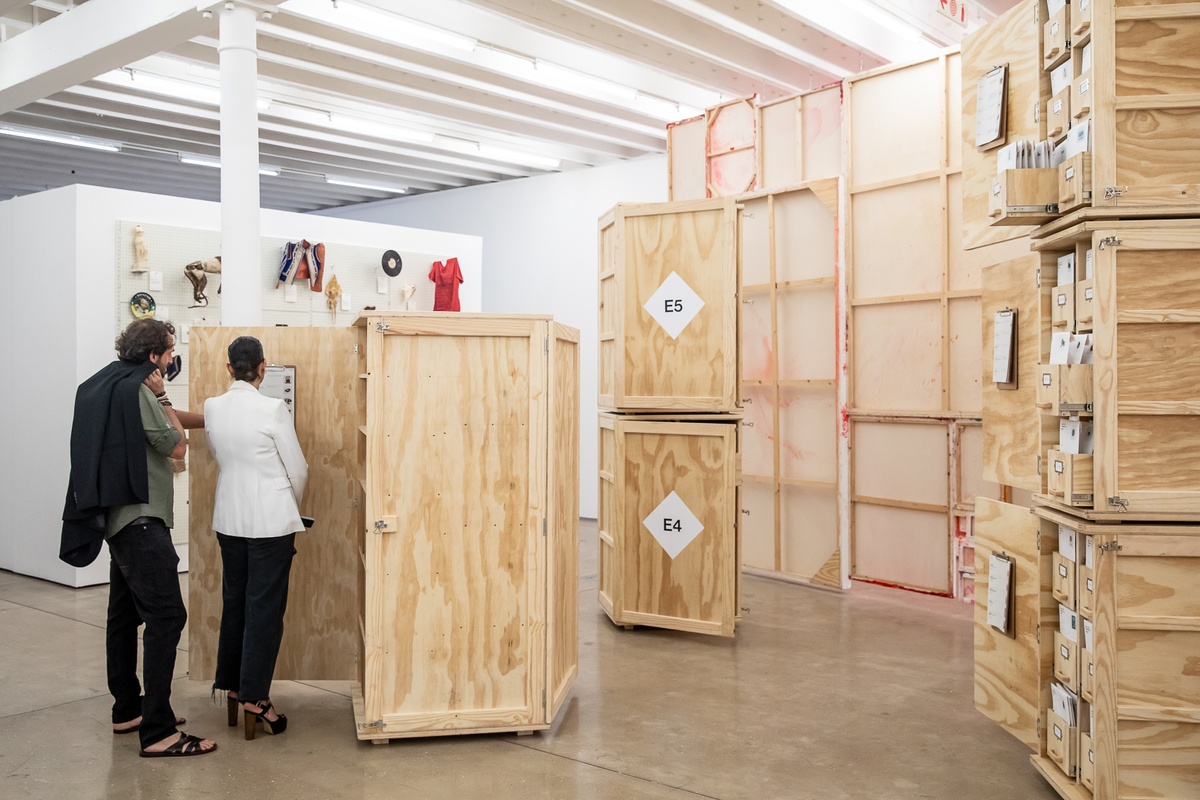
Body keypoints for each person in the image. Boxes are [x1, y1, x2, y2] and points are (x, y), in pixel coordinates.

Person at [63, 317, 216, 758]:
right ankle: (159, 731)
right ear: (154, 356)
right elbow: (176, 444)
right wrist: (164, 394)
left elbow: (158, 429)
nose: (172, 358)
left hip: (117, 519)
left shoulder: (108, 382)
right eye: (169, 351)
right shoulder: (143, 391)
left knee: (124, 617)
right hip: (144, 522)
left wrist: (211, 415)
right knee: (168, 617)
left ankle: (128, 708)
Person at [204, 336, 308, 740]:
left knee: (235, 603)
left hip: (229, 519)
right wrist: (289, 505)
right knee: (264, 611)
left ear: (229, 367)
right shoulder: (272, 408)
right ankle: (256, 698)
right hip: (270, 523)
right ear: (263, 367)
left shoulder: (213, 406)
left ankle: (232, 686)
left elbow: (220, 456)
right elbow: (297, 469)